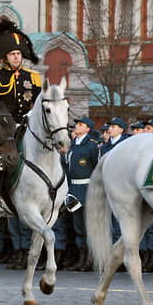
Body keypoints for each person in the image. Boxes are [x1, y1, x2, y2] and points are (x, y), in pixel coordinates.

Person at [0, 18, 42, 218]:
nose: (17, 57)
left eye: (18, 54)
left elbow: (40, 101)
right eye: (13, 54)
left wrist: (33, 114)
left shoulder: (31, 77)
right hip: (4, 128)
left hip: (27, 124)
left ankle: (60, 193)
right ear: (4, 57)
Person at [66, 115, 99, 271]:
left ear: (87, 129)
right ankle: (81, 257)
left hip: (87, 189)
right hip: (73, 189)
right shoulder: (73, 145)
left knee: (88, 227)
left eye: (80, 124)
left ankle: (89, 259)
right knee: (78, 226)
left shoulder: (91, 146)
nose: (76, 127)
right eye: (76, 124)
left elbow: (97, 168)